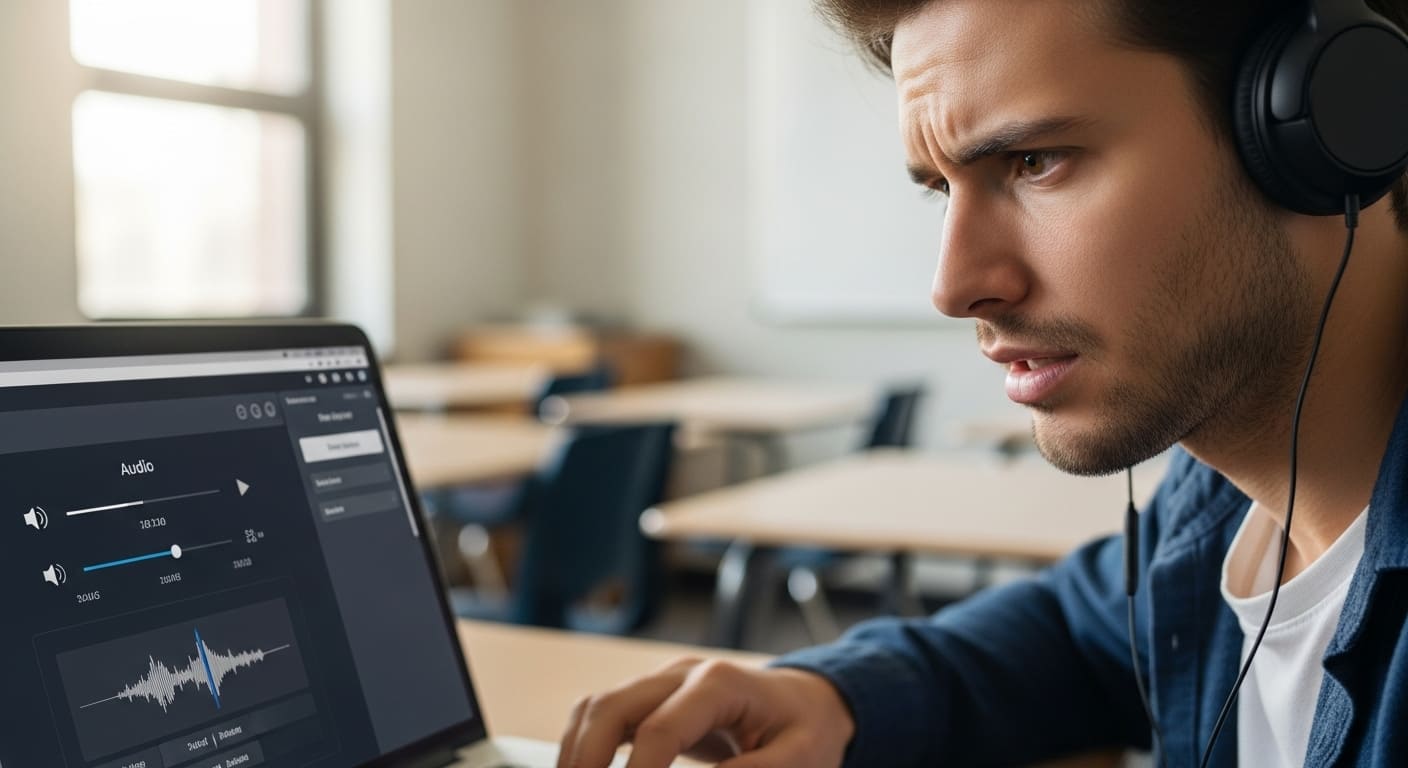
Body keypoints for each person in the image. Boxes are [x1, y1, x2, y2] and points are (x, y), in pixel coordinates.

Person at [554, 0, 1408, 765]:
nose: (954, 285)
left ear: (1327, 124)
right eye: (940, 190)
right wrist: (835, 699)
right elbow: (1078, 637)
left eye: (1036, 161)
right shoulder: (1229, 504)